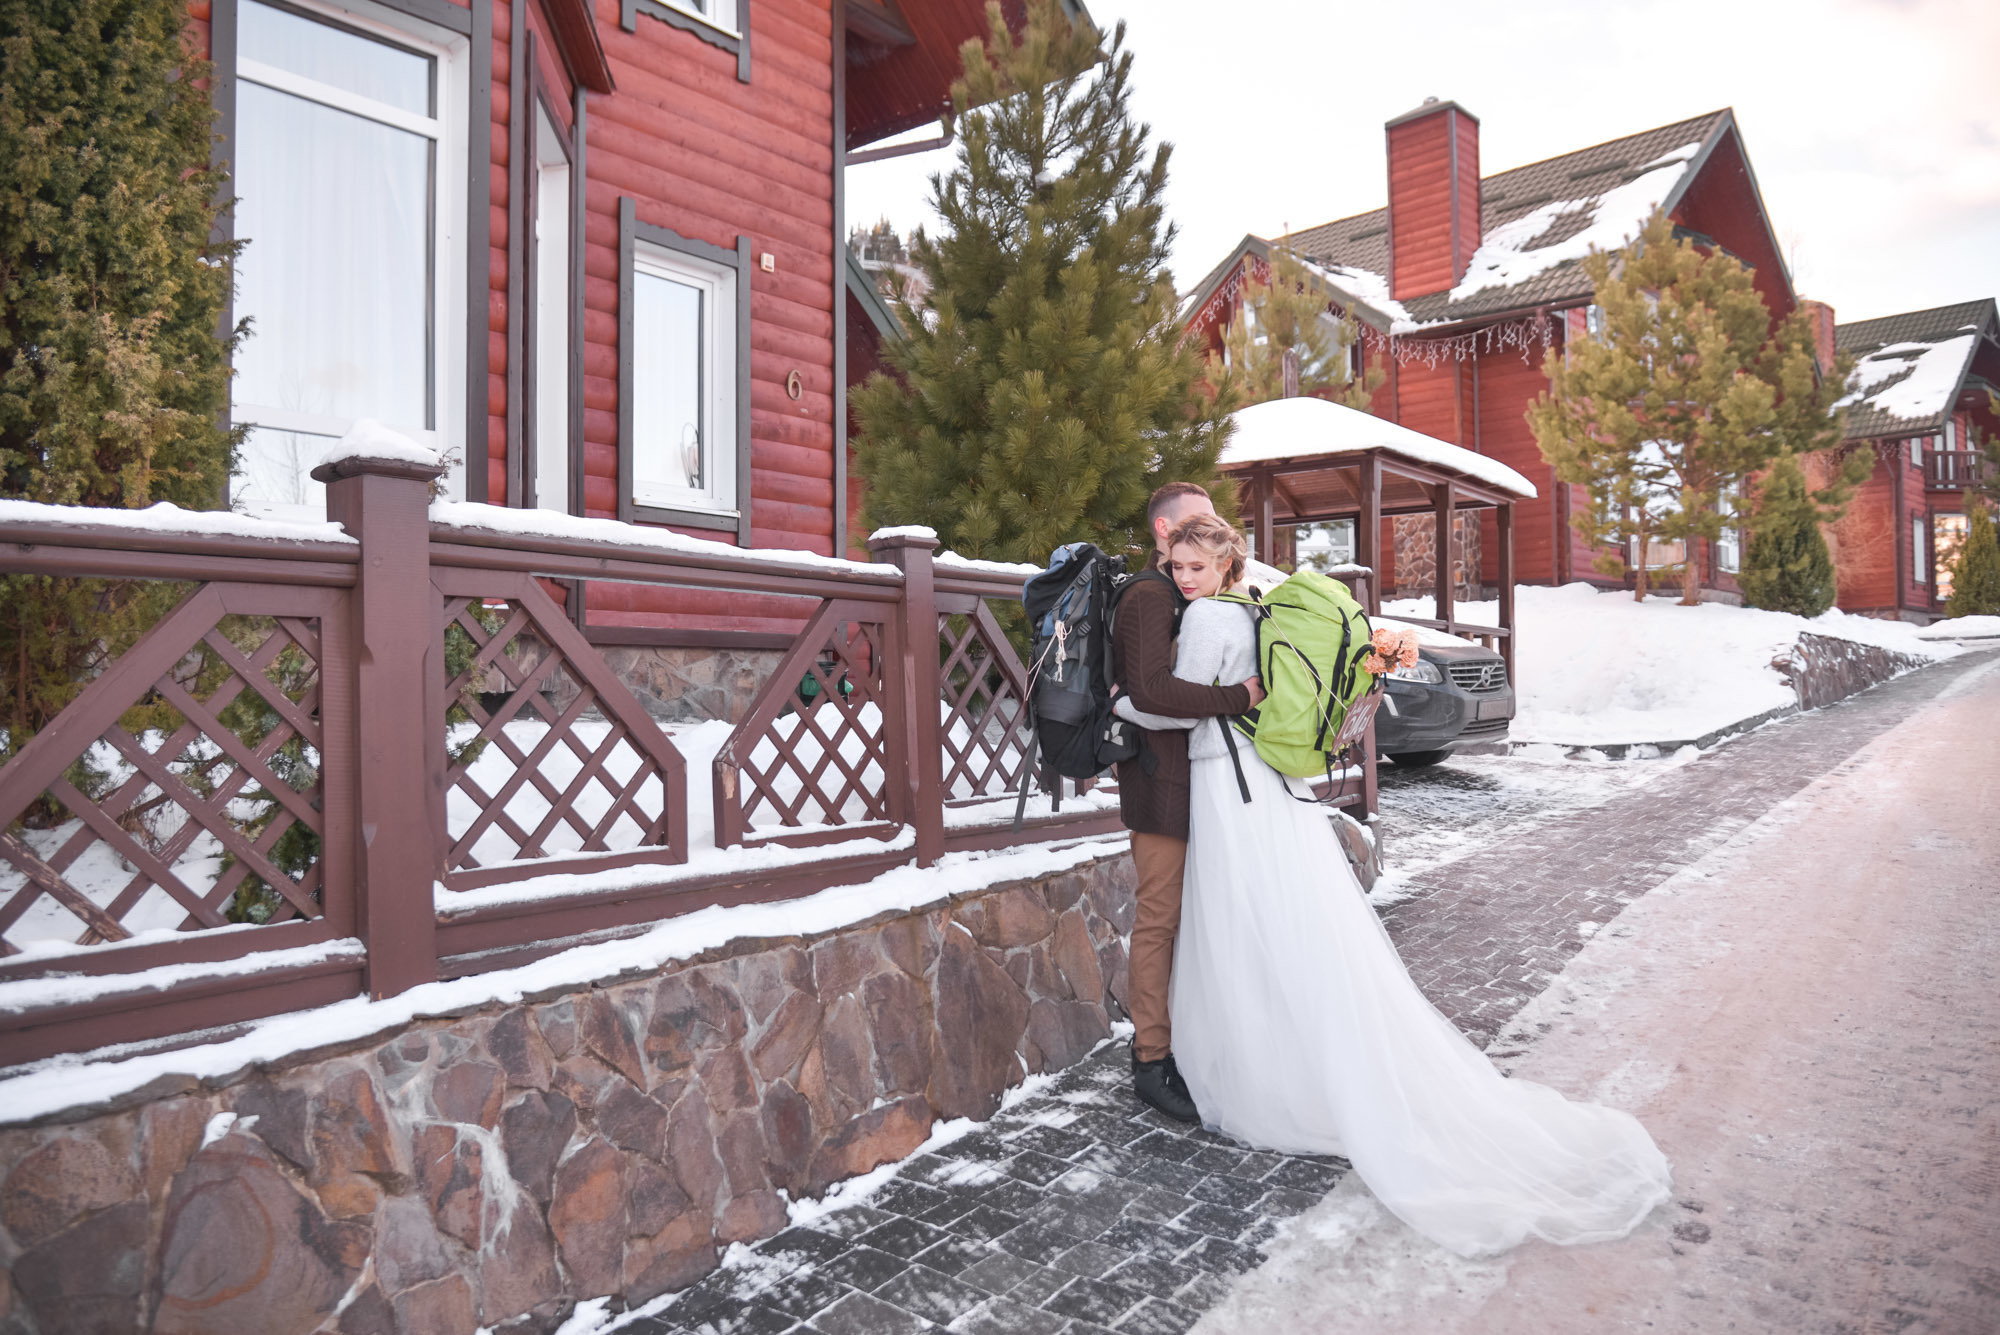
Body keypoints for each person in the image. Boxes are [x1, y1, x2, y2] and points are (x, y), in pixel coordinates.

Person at [1115, 512, 1672, 1258]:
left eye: (1194, 565)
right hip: (1275, 785)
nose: (1182, 578)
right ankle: (1302, 1053)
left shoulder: (1213, 618)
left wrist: (1117, 702)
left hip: (1227, 788)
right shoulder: (1256, 610)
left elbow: (1166, 705)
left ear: (1225, 565)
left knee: (1235, 921)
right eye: (1175, 565)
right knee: (1287, 920)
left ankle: (1257, 1068)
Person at [1110, 483, 1264, 1123]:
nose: (1209, 530)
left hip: (1196, 777)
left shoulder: (1193, 595)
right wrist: (1237, 698)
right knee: (1160, 920)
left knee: (1193, 919)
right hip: (1159, 782)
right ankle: (1151, 1060)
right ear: (1164, 530)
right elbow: (1149, 693)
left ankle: (1191, 1047)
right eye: (1196, 522)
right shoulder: (1151, 595)